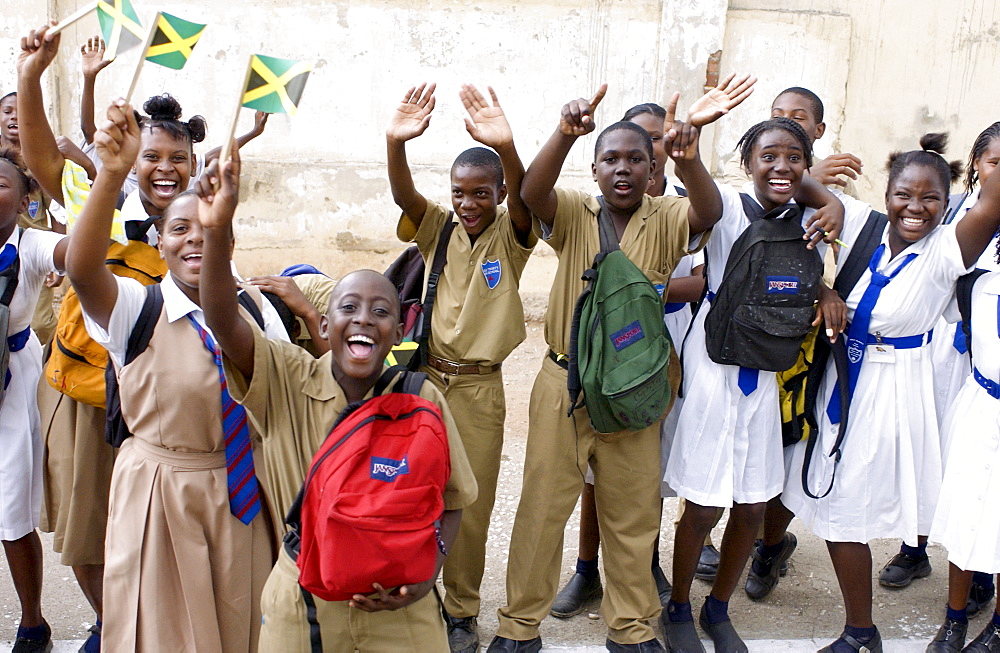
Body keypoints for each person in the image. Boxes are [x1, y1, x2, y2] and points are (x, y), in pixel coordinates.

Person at [194, 146, 478, 650]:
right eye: (349, 307)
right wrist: (217, 232)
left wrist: (427, 571)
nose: (365, 318)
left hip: (399, 611)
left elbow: (452, 501)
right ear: (324, 325)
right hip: (303, 602)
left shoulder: (421, 399)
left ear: (397, 333)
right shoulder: (283, 377)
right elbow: (222, 318)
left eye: (382, 311)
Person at [488, 82, 731, 653]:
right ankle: (519, 627)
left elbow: (710, 211)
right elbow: (531, 190)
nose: (622, 169)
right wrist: (564, 133)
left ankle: (632, 629)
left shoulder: (669, 215)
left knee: (632, 514)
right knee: (542, 513)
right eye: (610, 159)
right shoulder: (574, 212)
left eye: (635, 160)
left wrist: (690, 160)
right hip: (563, 383)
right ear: (595, 169)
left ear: (653, 169)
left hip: (635, 390)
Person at [66, 99, 283, 652]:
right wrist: (111, 174)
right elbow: (83, 269)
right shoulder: (136, 309)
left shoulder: (255, 313)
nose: (194, 238)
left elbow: (291, 396)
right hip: (159, 495)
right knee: (162, 632)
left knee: (243, 626)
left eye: (208, 228)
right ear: (160, 243)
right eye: (179, 228)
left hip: (240, 493)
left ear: (228, 243)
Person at [549, 72, 759, 617]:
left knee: (655, 467)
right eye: (627, 150)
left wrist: (642, 289)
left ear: (660, 158)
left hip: (666, 346)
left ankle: (647, 566)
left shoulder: (684, 206)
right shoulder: (598, 209)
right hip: (604, 350)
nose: (638, 163)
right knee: (599, 471)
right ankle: (588, 568)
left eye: (654, 149)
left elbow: (704, 278)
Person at [782, 133, 1000, 653]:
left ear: (949, 205)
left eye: (931, 198)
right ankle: (861, 629)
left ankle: (872, 623)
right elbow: (790, 183)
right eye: (905, 193)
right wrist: (824, 286)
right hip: (842, 382)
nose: (915, 208)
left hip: (897, 386)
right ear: (887, 194)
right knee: (833, 505)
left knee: (861, 500)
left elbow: (992, 199)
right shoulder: (860, 224)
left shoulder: (948, 250)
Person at [662, 116, 856, 653]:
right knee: (702, 505)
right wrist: (685, 154)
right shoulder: (726, 209)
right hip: (717, 373)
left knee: (751, 505)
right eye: (768, 156)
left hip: (765, 377)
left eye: (795, 157)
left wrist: (822, 290)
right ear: (747, 163)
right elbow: (697, 183)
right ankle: (679, 606)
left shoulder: (814, 221)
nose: (781, 166)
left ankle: (717, 608)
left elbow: (791, 270)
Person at [386, 81, 535, 652]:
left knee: (470, 505)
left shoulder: (513, 234)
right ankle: (414, 594)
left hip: (479, 389)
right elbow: (406, 197)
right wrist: (396, 143)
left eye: (480, 193)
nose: (468, 203)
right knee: (415, 492)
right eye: (459, 192)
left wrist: (509, 146)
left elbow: (526, 198)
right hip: (429, 381)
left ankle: (462, 610)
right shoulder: (439, 230)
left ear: (498, 193)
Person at [913, 124, 1000, 615]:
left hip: (984, 363)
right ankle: (917, 548)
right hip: (952, 353)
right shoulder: (955, 216)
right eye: (993, 164)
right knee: (946, 462)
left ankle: (984, 574)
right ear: (975, 165)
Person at [0, 146, 67, 653]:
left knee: (11, 509)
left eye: (3, 185)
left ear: (25, 200)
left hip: (11, 383)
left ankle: (32, 621)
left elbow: (75, 253)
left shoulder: (30, 245)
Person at [926, 241, 1000, 652]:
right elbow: (946, 309)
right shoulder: (980, 285)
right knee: (964, 514)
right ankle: (954, 618)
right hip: (981, 404)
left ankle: (998, 627)